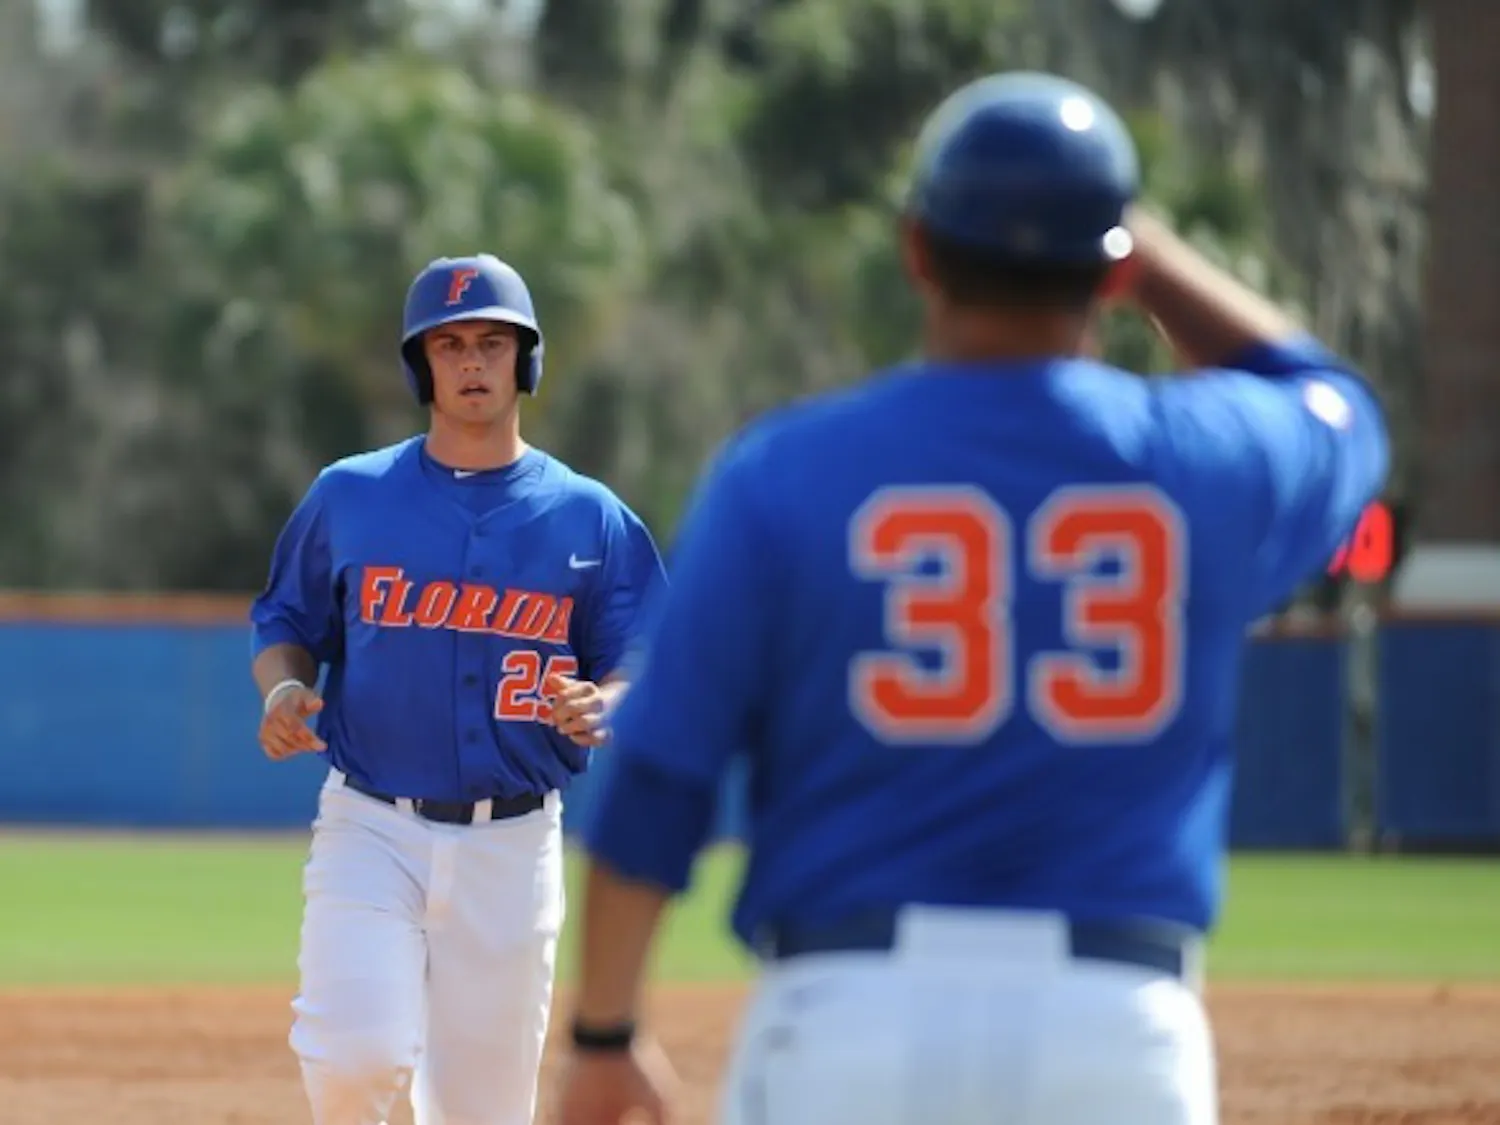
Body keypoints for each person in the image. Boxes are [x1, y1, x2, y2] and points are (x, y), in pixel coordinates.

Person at [551, 71, 1390, 1125]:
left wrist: (604, 1032)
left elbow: (661, 777)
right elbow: (1333, 399)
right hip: (1115, 1034)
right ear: (1112, 271)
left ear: (918, 249)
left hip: (848, 1024)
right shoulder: (1211, 463)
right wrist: (1138, 247)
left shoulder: (785, 472)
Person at [249, 253, 665, 1125]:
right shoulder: (350, 495)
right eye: (449, 344)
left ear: (524, 359)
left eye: (491, 343)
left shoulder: (589, 514)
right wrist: (282, 690)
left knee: (485, 1112)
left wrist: (608, 701)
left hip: (513, 843)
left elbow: (642, 654)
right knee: (352, 1056)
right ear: (422, 365)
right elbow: (285, 620)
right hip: (371, 824)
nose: (472, 362)